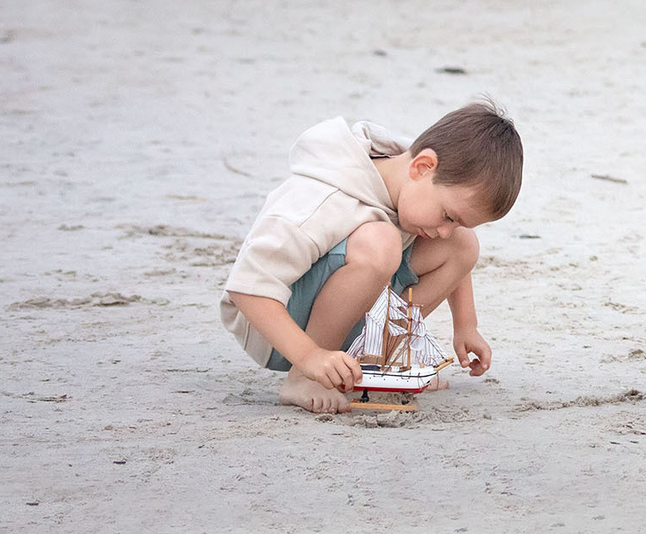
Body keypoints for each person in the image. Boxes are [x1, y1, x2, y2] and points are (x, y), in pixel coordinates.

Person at [221, 101, 522, 414]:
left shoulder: (413, 182)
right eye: (448, 216)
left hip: (344, 318)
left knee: (463, 245)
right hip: (275, 326)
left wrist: (466, 325)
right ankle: (304, 380)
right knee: (381, 241)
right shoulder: (323, 197)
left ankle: (377, 365)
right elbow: (247, 286)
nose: (447, 230)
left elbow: (455, 243)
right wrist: (308, 357)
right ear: (422, 167)